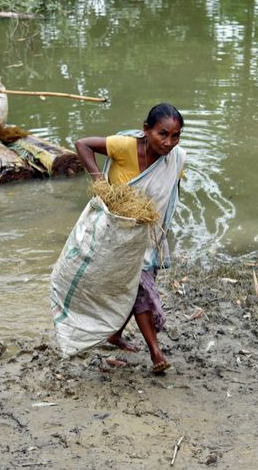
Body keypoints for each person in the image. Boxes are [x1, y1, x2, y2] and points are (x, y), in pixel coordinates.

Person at [75, 103, 185, 375]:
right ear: (146, 130)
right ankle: (155, 352)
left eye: (175, 136)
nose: (169, 142)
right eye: (162, 134)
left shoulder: (176, 159)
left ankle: (115, 334)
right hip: (119, 236)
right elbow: (82, 144)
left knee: (133, 289)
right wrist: (99, 179)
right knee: (139, 289)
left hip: (148, 236)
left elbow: (167, 196)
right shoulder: (125, 147)